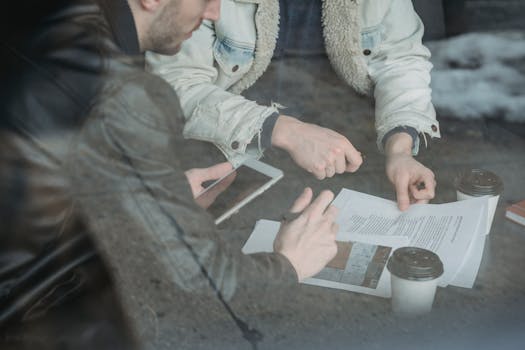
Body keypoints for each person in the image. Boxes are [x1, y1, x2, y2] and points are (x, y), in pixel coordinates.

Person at [0, 0, 338, 348]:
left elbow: (38, 189)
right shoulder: (115, 85)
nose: (214, 14)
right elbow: (204, 282)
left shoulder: (46, 20)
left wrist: (148, 202)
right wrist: (290, 263)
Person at [146, 0, 441, 211]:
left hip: (351, 156)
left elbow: (401, 60)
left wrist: (400, 150)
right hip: (235, 154)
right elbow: (174, 86)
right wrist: (282, 129)